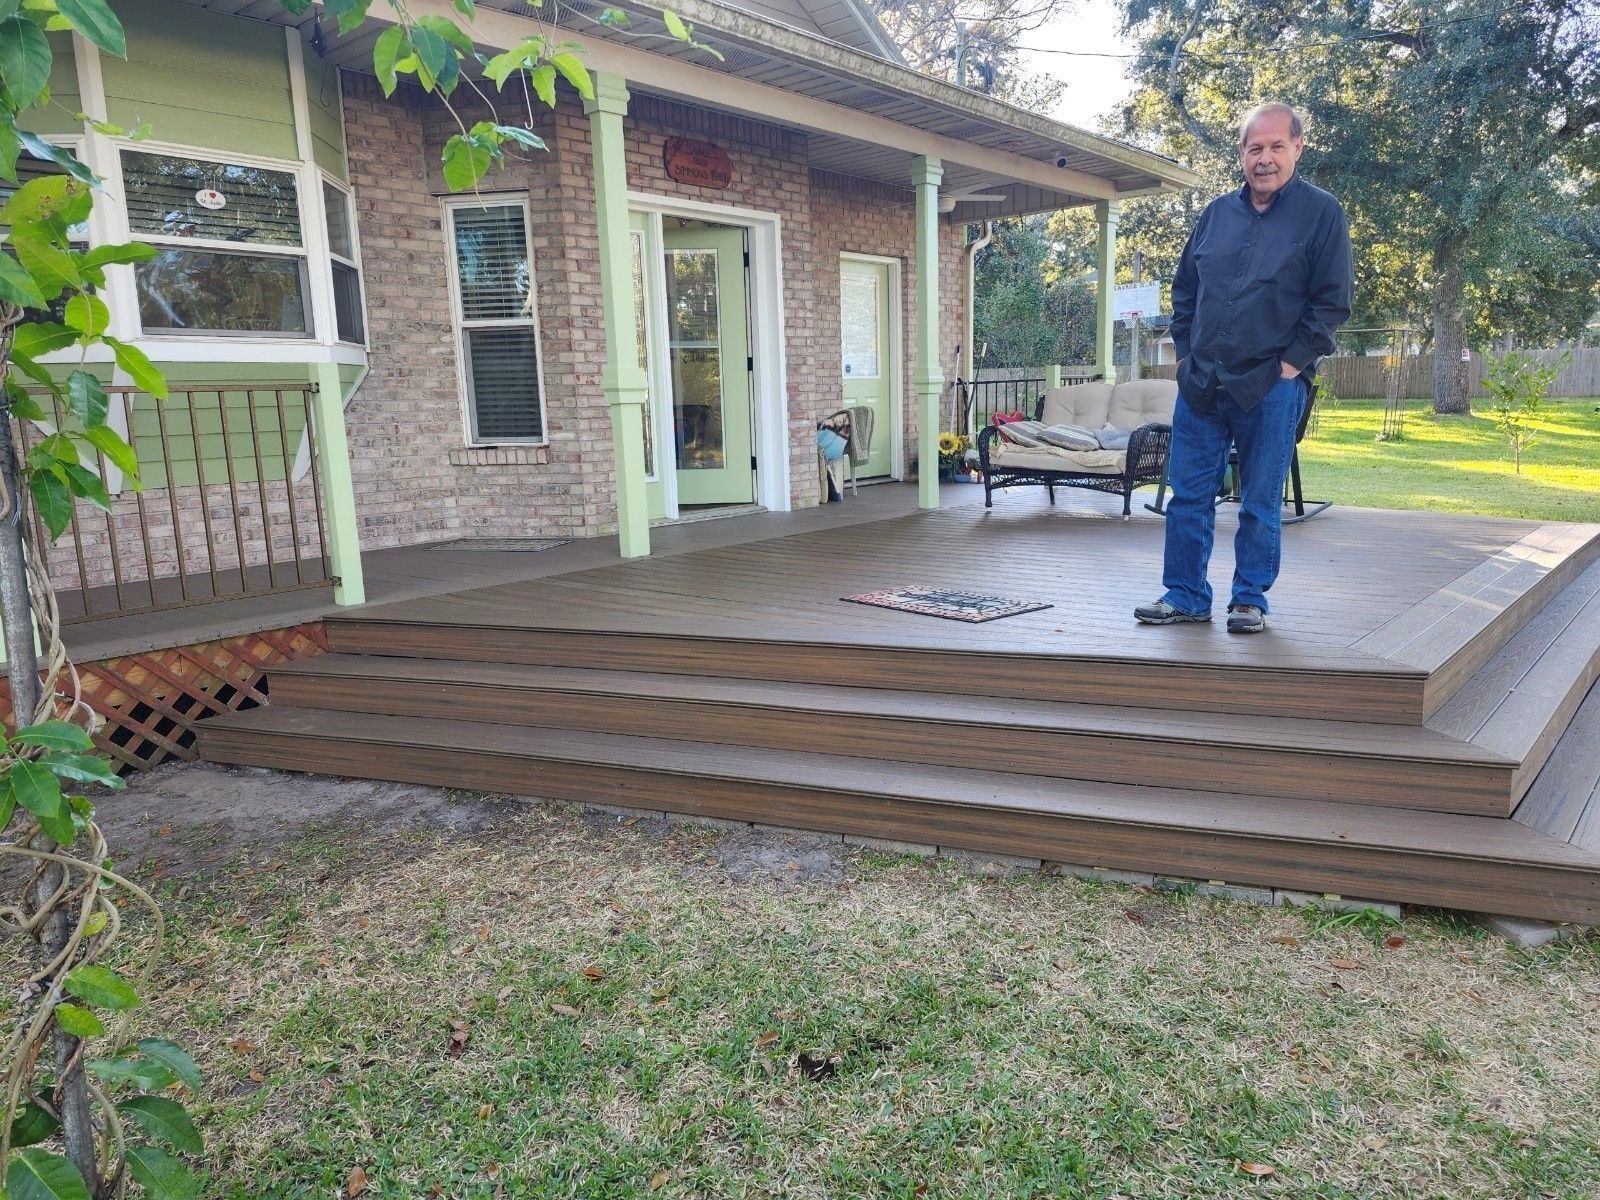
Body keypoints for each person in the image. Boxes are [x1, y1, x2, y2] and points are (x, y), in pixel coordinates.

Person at [1135, 102, 1353, 634]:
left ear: (1297, 148)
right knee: (1189, 495)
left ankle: (1249, 597)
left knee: (1258, 498)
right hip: (1203, 382)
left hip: (1271, 386)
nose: (1265, 158)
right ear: (1241, 154)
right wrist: (1185, 355)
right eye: (1255, 147)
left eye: (1277, 146)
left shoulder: (1322, 214)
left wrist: (1290, 366)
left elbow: (1332, 303)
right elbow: (1186, 288)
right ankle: (1185, 594)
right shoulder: (1216, 215)